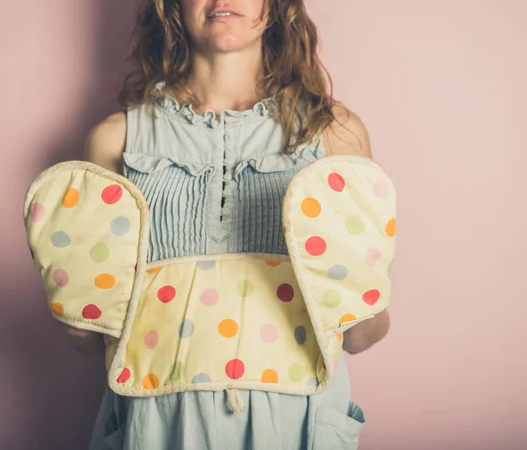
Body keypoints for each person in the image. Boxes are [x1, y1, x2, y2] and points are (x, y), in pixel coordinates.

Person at [61, 0, 391, 448]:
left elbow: (362, 333)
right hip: (159, 425)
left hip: (295, 423)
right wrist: (77, 310)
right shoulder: (113, 142)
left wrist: (354, 296)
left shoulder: (336, 135)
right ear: (172, 6)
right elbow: (93, 338)